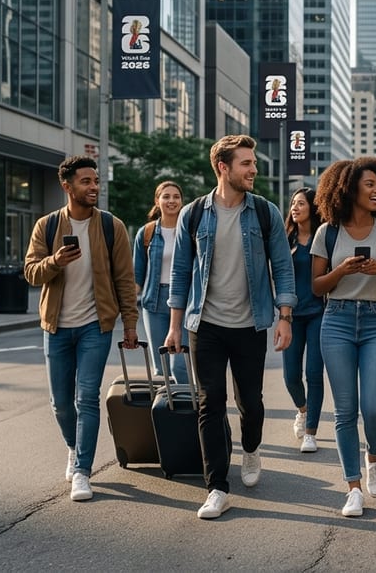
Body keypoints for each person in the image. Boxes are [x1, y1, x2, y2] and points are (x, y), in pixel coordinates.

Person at [165, 134, 296, 520]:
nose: (254, 169)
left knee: (250, 403)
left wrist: (284, 316)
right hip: (204, 324)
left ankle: (251, 449)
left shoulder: (264, 212)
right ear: (223, 167)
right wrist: (175, 327)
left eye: (253, 163)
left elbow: (282, 267)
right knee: (210, 405)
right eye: (246, 164)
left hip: (250, 324)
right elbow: (180, 273)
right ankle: (217, 487)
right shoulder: (194, 213)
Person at [23, 155, 139, 503]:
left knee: (86, 397)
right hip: (56, 326)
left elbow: (125, 279)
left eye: (96, 181)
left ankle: (83, 472)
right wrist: (54, 262)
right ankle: (73, 448)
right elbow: (30, 272)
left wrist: (129, 324)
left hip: (95, 325)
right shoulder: (46, 226)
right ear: (67, 186)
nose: (93, 187)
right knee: (61, 403)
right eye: (86, 181)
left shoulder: (110, 226)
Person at [311, 158, 376, 518]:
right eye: (369, 184)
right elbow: (316, 285)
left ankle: (375, 456)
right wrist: (342, 270)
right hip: (335, 320)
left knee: (374, 408)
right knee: (345, 411)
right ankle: (353, 487)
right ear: (348, 189)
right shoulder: (328, 232)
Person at [132, 181, 189, 383]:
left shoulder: (190, 232)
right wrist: (126, 309)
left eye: (176, 196)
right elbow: (137, 276)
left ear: (182, 201)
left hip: (184, 302)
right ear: (157, 200)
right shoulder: (146, 233)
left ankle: (186, 408)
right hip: (153, 303)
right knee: (161, 365)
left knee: (180, 365)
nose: (171, 201)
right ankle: (167, 410)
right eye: (166, 196)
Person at [284, 187, 325, 453]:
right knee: (290, 377)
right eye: (293, 204)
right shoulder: (285, 239)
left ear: (312, 207)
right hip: (290, 315)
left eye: (300, 203)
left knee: (313, 373)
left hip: (319, 312)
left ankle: (311, 431)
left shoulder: (323, 238)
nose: (295, 208)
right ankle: (303, 409)